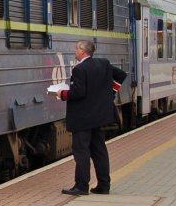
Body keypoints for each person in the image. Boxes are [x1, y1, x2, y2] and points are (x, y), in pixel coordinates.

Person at [52, 40, 127, 196]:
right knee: (99, 151)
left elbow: (78, 92)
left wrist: (61, 94)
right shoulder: (103, 64)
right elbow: (121, 75)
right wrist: (110, 93)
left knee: (81, 152)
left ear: (82, 51)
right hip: (99, 117)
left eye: (76, 48)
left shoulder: (80, 69)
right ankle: (104, 185)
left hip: (83, 119)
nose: (75, 51)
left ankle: (81, 186)